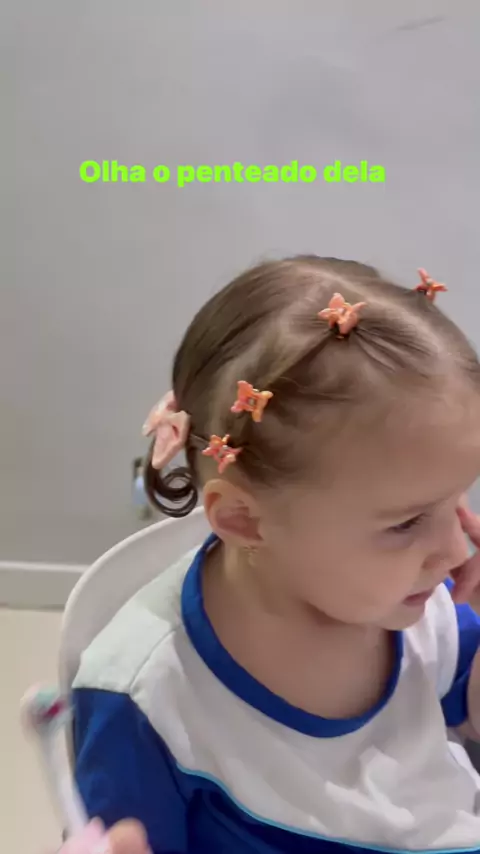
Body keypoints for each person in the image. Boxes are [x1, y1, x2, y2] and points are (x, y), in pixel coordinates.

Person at [62, 257, 480, 853]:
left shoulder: (418, 602)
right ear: (243, 520)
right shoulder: (147, 694)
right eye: (407, 522)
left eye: (457, 499)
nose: (454, 548)